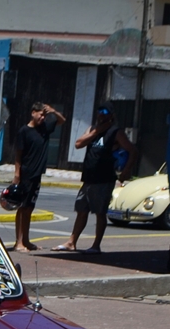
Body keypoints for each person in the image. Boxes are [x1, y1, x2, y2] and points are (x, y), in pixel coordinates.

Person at [55, 106, 137, 253]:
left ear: (111, 115)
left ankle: (96, 245)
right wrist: (96, 132)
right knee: (81, 210)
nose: (101, 115)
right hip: (89, 177)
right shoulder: (92, 129)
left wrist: (126, 170)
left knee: (100, 212)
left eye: (105, 112)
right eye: (99, 112)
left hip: (104, 178)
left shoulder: (115, 132)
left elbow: (132, 150)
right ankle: (71, 242)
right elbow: (78, 144)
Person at [10, 102, 65, 251]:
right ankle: (19, 242)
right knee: (22, 208)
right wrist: (17, 174)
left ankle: (26, 240)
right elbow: (18, 155)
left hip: (37, 174)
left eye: (44, 115)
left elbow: (62, 121)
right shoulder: (24, 131)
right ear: (33, 113)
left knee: (29, 208)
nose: (42, 118)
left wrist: (53, 111)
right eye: (41, 114)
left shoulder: (44, 129)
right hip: (26, 173)